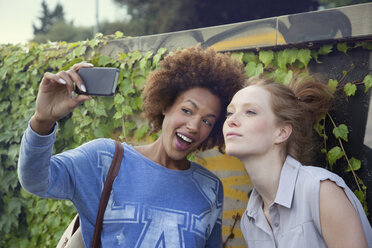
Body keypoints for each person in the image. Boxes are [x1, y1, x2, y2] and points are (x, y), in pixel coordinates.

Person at [18, 46, 247, 247]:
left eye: (207, 121)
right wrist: (42, 120)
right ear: (166, 105)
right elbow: (36, 180)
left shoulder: (210, 188)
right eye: (187, 110)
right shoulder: (104, 159)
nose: (194, 125)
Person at [223, 76, 372, 248]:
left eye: (250, 112)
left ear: (282, 132)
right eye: (230, 112)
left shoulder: (320, 191)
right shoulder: (250, 219)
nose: (231, 120)